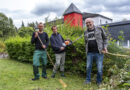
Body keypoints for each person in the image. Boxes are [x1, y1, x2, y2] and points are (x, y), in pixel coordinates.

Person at [84, 18, 108, 85]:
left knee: (99, 68)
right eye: (86, 23)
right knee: (88, 67)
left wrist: (105, 47)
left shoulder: (99, 29)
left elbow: (105, 38)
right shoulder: (85, 32)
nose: (88, 24)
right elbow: (85, 42)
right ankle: (88, 81)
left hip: (99, 52)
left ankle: (99, 82)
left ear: (93, 22)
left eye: (89, 22)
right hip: (89, 53)